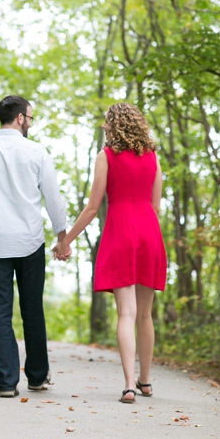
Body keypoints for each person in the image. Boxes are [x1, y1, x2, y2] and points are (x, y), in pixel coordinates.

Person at [53, 103, 166, 404]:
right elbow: (156, 207)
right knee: (144, 314)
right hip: (148, 235)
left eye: (107, 122)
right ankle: (146, 381)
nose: (104, 126)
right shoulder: (153, 158)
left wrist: (65, 241)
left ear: (117, 125)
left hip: (120, 232)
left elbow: (92, 208)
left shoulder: (106, 157)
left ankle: (129, 384)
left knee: (126, 314)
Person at [0, 95, 68, 398]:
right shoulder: (36, 152)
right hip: (30, 240)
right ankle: (36, 377)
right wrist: (62, 236)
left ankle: (7, 382)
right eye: (30, 118)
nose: (30, 123)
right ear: (20, 118)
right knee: (32, 308)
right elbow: (53, 197)